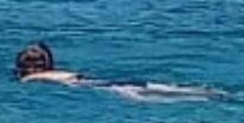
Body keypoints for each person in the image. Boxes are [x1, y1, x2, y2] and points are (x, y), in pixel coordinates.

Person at [13, 42, 222, 101]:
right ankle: (210, 92)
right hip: (105, 81)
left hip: (107, 87)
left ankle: (207, 95)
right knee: (173, 91)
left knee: (168, 97)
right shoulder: (59, 72)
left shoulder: (31, 79)